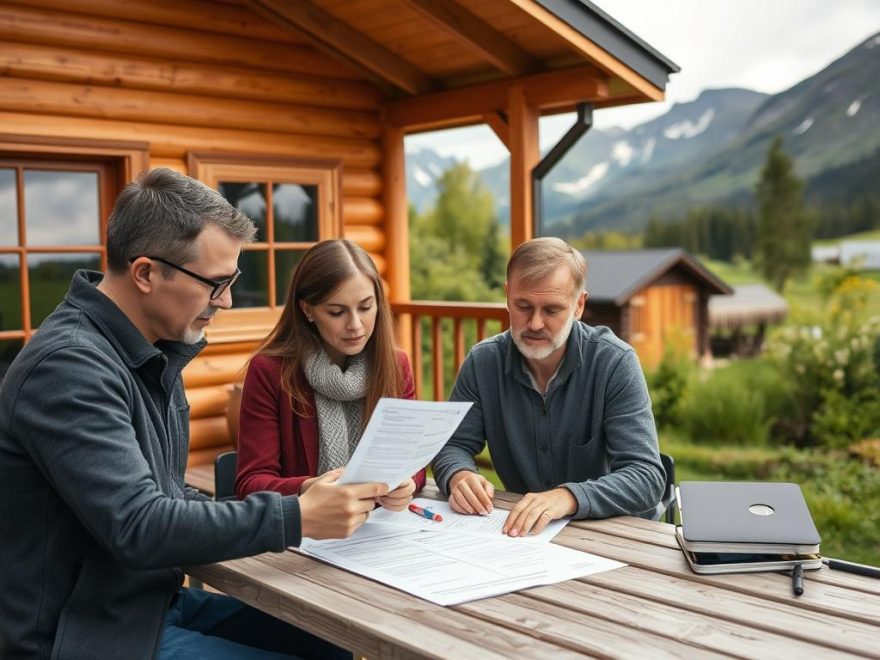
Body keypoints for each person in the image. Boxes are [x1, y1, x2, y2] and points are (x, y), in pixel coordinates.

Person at [0, 168, 387, 659]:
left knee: (331, 645)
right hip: (79, 633)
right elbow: (140, 525)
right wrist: (296, 515)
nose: (225, 300)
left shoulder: (148, 350)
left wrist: (302, 499)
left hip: (144, 604)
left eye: (232, 281)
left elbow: (168, 494)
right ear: (145, 273)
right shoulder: (69, 367)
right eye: (215, 283)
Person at [431, 237, 664, 537]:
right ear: (507, 296)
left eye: (552, 310)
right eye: (523, 306)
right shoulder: (483, 362)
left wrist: (566, 497)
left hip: (616, 536)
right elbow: (452, 445)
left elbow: (646, 478)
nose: (536, 323)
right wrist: (459, 475)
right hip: (524, 537)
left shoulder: (614, 363)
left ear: (579, 305)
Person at [236, 239, 424, 504]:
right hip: (305, 532)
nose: (356, 325)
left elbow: (412, 463)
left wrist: (405, 483)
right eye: (337, 312)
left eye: (366, 307)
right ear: (307, 310)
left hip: (380, 526)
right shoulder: (270, 371)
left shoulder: (395, 365)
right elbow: (251, 483)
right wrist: (312, 488)